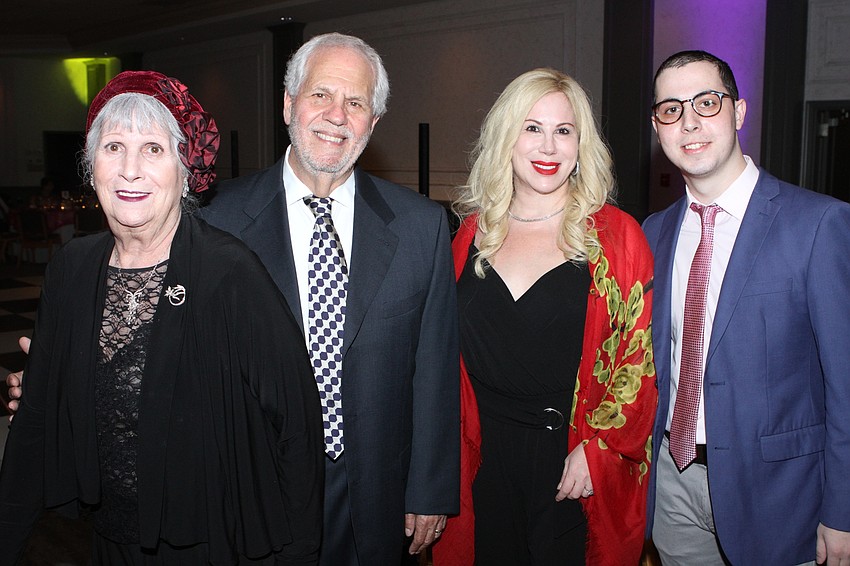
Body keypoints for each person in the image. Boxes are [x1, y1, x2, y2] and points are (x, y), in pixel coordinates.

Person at [0, 71, 323, 564]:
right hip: (106, 541)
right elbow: (36, 422)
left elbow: (297, 426)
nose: (130, 170)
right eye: (113, 147)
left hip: (210, 544)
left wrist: (300, 555)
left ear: (186, 166)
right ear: (91, 166)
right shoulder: (71, 269)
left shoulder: (228, 272)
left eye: (153, 148)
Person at [197, 33, 460, 565]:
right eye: (321, 95)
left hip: (374, 494)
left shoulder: (421, 227)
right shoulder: (214, 220)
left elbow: (434, 368)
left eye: (356, 102)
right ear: (289, 104)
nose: (337, 116)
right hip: (253, 489)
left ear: (374, 122)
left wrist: (430, 489)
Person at [433, 68, 656, 566]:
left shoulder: (616, 238)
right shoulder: (470, 234)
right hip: (481, 458)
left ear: (581, 145)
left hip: (568, 461)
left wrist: (599, 449)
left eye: (564, 130)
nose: (548, 147)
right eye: (532, 128)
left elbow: (638, 363)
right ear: (506, 139)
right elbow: (442, 358)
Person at [643, 50, 850, 566]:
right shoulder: (653, 232)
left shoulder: (819, 224)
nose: (688, 121)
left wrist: (843, 510)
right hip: (673, 483)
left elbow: (847, 385)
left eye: (706, 103)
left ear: (738, 112)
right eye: (671, 109)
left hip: (783, 497)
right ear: (657, 126)